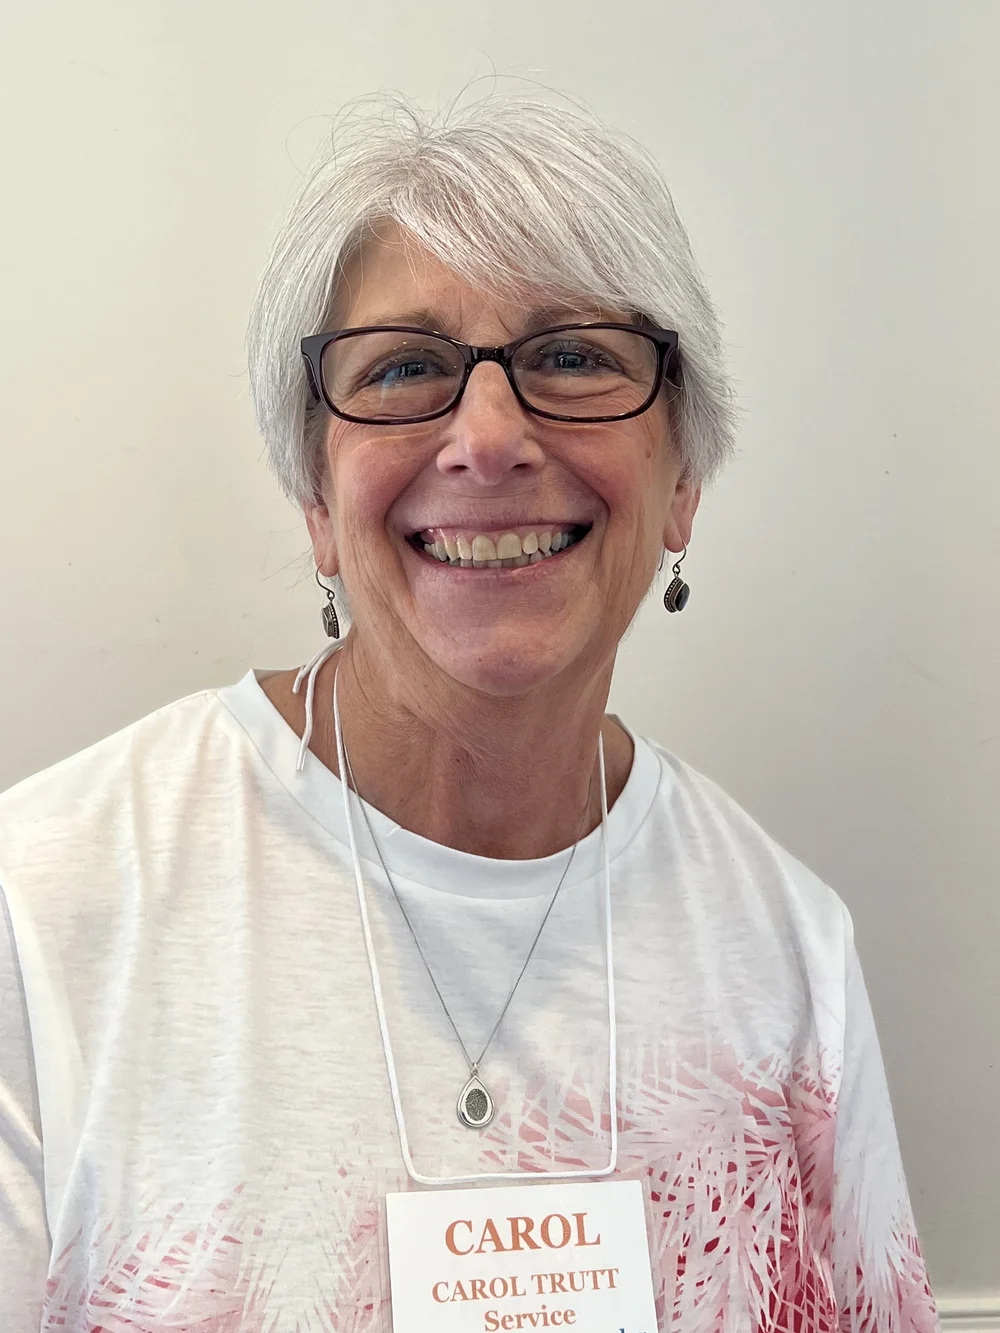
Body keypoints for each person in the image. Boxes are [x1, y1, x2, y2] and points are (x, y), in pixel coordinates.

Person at [0, 93, 939, 1331]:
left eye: (574, 357)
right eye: (404, 369)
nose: (487, 439)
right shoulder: (44, 909)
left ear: (683, 483)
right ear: (317, 501)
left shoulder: (785, 955)